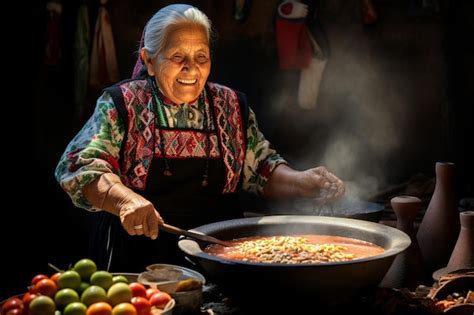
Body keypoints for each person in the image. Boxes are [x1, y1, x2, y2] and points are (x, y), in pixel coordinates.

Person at [55, 4, 345, 272]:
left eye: (201, 57)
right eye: (177, 57)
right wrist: (125, 201)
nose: (191, 69)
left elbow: (260, 170)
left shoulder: (229, 105)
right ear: (150, 60)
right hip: (137, 260)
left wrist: (303, 182)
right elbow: (80, 167)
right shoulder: (123, 104)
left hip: (218, 256)